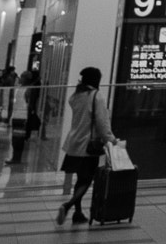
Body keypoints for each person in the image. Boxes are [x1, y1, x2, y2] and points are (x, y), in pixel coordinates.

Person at [56, 66, 113, 224]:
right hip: (88, 147)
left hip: (73, 144)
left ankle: (78, 213)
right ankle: (67, 206)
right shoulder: (96, 96)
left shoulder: (76, 95)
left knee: (80, 179)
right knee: (87, 180)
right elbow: (102, 124)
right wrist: (111, 139)